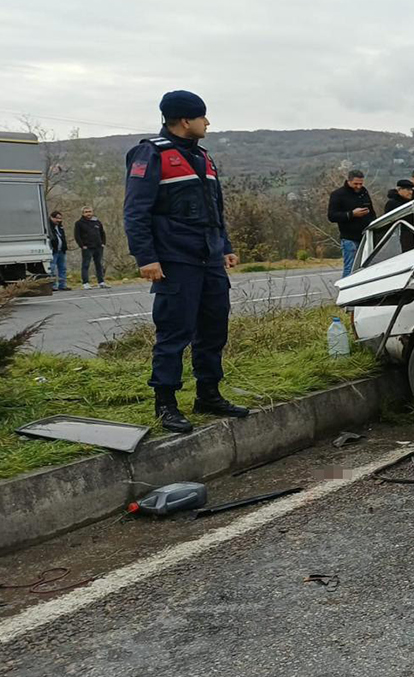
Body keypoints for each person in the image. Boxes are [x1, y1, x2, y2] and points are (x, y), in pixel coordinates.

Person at [123, 89, 249, 433]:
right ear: (184, 120)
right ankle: (166, 404)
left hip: (209, 259)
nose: (207, 122)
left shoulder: (204, 156)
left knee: (214, 329)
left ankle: (208, 394)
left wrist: (225, 245)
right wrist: (145, 257)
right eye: (202, 117)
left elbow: (215, 209)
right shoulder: (150, 154)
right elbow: (135, 211)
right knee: (174, 333)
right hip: (175, 260)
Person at [327, 169, 375, 278]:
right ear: (348, 181)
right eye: (355, 184)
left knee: (365, 267)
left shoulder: (364, 192)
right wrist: (351, 214)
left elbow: (372, 212)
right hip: (349, 238)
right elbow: (332, 216)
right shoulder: (338, 195)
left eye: (361, 184)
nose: (358, 186)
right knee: (350, 268)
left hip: (366, 236)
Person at [74, 206, 108, 289]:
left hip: (98, 246)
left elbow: (102, 233)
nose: (88, 213)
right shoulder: (79, 223)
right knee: (86, 265)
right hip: (87, 247)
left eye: (89, 211)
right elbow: (77, 236)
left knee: (99, 264)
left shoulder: (97, 222)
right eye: (86, 212)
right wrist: (82, 246)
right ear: (83, 213)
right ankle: (85, 283)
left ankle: (101, 282)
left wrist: (103, 243)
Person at [46, 211, 69, 291]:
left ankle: (62, 285)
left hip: (61, 250)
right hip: (54, 250)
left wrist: (64, 247)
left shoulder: (60, 227)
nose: (59, 220)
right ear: (52, 217)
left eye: (60, 218)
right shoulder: (49, 226)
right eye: (57, 218)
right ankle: (53, 285)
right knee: (52, 268)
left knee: (62, 268)